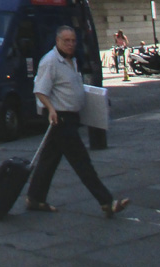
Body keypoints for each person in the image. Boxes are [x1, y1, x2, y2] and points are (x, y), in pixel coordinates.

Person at [26, 25, 129, 217]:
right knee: (82, 162)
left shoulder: (72, 60)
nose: (71, 44)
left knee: (49, 160)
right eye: (66, 40)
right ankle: (106, 202)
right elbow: (39, 90)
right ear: (57, 41)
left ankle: (35, 198)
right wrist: (51, 110)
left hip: (71, 117)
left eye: (73, 40)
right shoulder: (50, 61)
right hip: (60, 118)